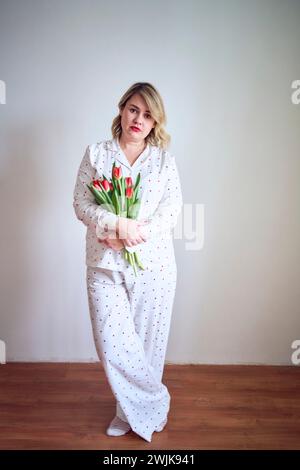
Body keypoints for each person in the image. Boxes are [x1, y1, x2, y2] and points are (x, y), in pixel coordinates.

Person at [73, 82, 183, 443]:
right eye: (134, 109)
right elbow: (81, 205)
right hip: (104, 263)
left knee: (147, 347)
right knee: (114, 344)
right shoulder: (97, 154)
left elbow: (170, 213)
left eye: (148, 114)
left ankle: (132, 414)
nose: (139, 119)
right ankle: (153, 403)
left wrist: (133, 234)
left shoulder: (165, 162)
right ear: (122, 109)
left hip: (154, 266)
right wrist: (116, 225)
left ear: (155, 123)